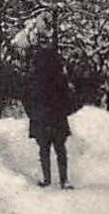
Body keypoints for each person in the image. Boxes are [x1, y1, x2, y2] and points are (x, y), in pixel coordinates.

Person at [26, 46, 75, 189]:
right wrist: (64, 111)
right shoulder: (59, 77)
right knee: (60, 149)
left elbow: (28, 97)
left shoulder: (35, 77)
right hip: (57, 117)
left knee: (44, 149)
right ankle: (63, 180)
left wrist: (33, 113)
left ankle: (47, 179)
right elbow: (68, 98)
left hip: (41, 118)